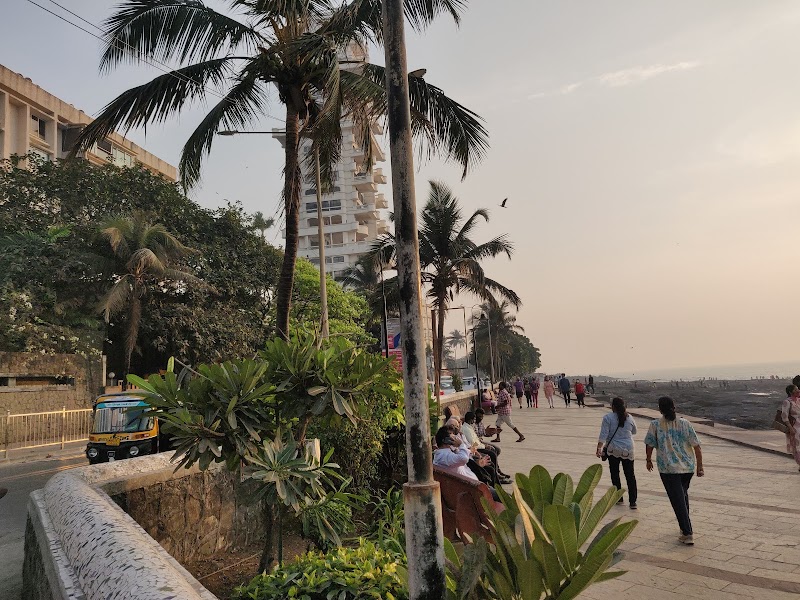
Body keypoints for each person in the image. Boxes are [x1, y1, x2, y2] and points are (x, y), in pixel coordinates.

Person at [644, 396, 704, 545]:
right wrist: (699, 466)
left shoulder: (655, 425)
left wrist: (648, 459)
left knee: (677, 500)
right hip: (687, 467)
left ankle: (687, 532)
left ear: (660, 409)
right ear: (674, 407)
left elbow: (649, 444)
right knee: (682, 496)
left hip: (668, 469)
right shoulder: (685, 423)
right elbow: (696, 446)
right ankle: (684, 529)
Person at [433, 425, 500, 501]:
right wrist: (461, 444)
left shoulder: (445, 454)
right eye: (453, 438)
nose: (456, 439)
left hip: (472, 487)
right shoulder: (444, 456)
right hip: (471, 491)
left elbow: (463, 458)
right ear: (446, 440)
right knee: (505, 497)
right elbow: (463, 458)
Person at [596, 397, 638, 509]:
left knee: (615, 474)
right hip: (628, 449)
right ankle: (633, 501)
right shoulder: (629, 417)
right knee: (630, 475)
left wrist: (599, 448)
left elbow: (603, 434)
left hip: (613, 449)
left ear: (613, 406)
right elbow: (634, 431)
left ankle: (619, 498)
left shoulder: (608, 418)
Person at [462, 412, 511, 483]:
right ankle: (496, 475)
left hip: (478, 445)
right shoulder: (466, 429)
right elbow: (473, 444)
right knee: (491, 454)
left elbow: (477, 439)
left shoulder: (469, 427)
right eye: (474, 419)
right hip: (475, 448)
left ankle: (497, 471)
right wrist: (484, 446)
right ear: (471, 420)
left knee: (495, 449)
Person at [781, 384, 800, 471]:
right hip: (794, 427)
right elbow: (784, 416)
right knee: (796, 447)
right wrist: (790, 428)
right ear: (790, 392)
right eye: (796, 390)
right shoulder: (787, 402)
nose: (798, 391)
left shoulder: (799, 401)